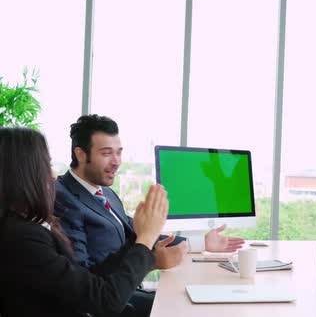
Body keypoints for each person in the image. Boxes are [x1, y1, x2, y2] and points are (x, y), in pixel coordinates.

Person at [54, 114, 245, 315]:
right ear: (81, 154)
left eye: (119, 153)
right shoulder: (63, 198)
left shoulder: (106, 193)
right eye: (106, 153)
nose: (116, 162)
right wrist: (150, 262)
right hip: (110, 304)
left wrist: (202, 243)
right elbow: (84, 281)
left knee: (204, 299)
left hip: (130, 291)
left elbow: (138, 234)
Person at [0, 127, 168, 317]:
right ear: (23, 174)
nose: (53, 174)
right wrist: (144, 243)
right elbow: (104, 302)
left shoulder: (28, 226)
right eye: (45, 164)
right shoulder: (20, 238)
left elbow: (88, 278)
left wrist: (138, 240)